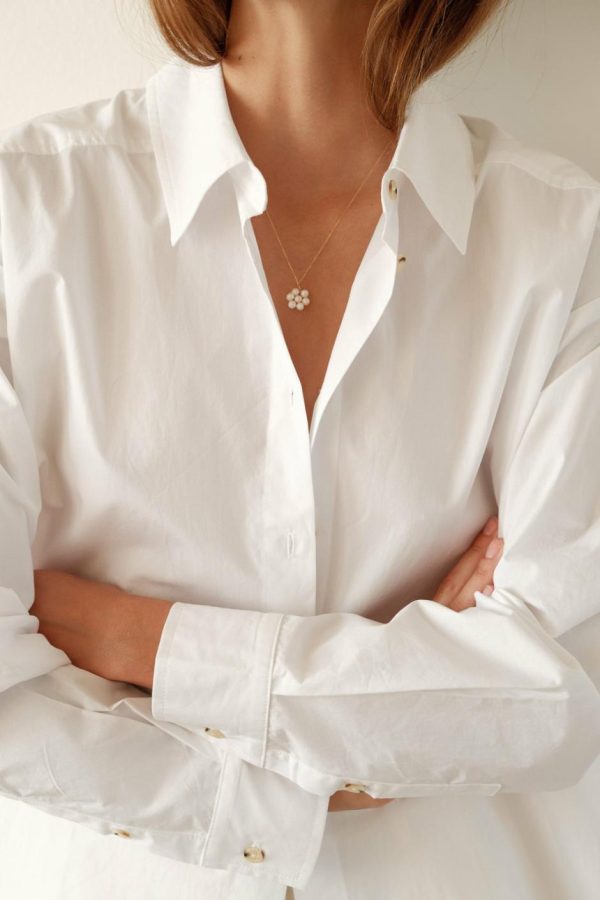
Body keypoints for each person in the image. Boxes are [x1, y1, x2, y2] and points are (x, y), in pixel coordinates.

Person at [1, 0, 600, 897]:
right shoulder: (26, 214)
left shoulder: (561, 240)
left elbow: (550, 704)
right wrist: (302, 792)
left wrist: (142, 640)